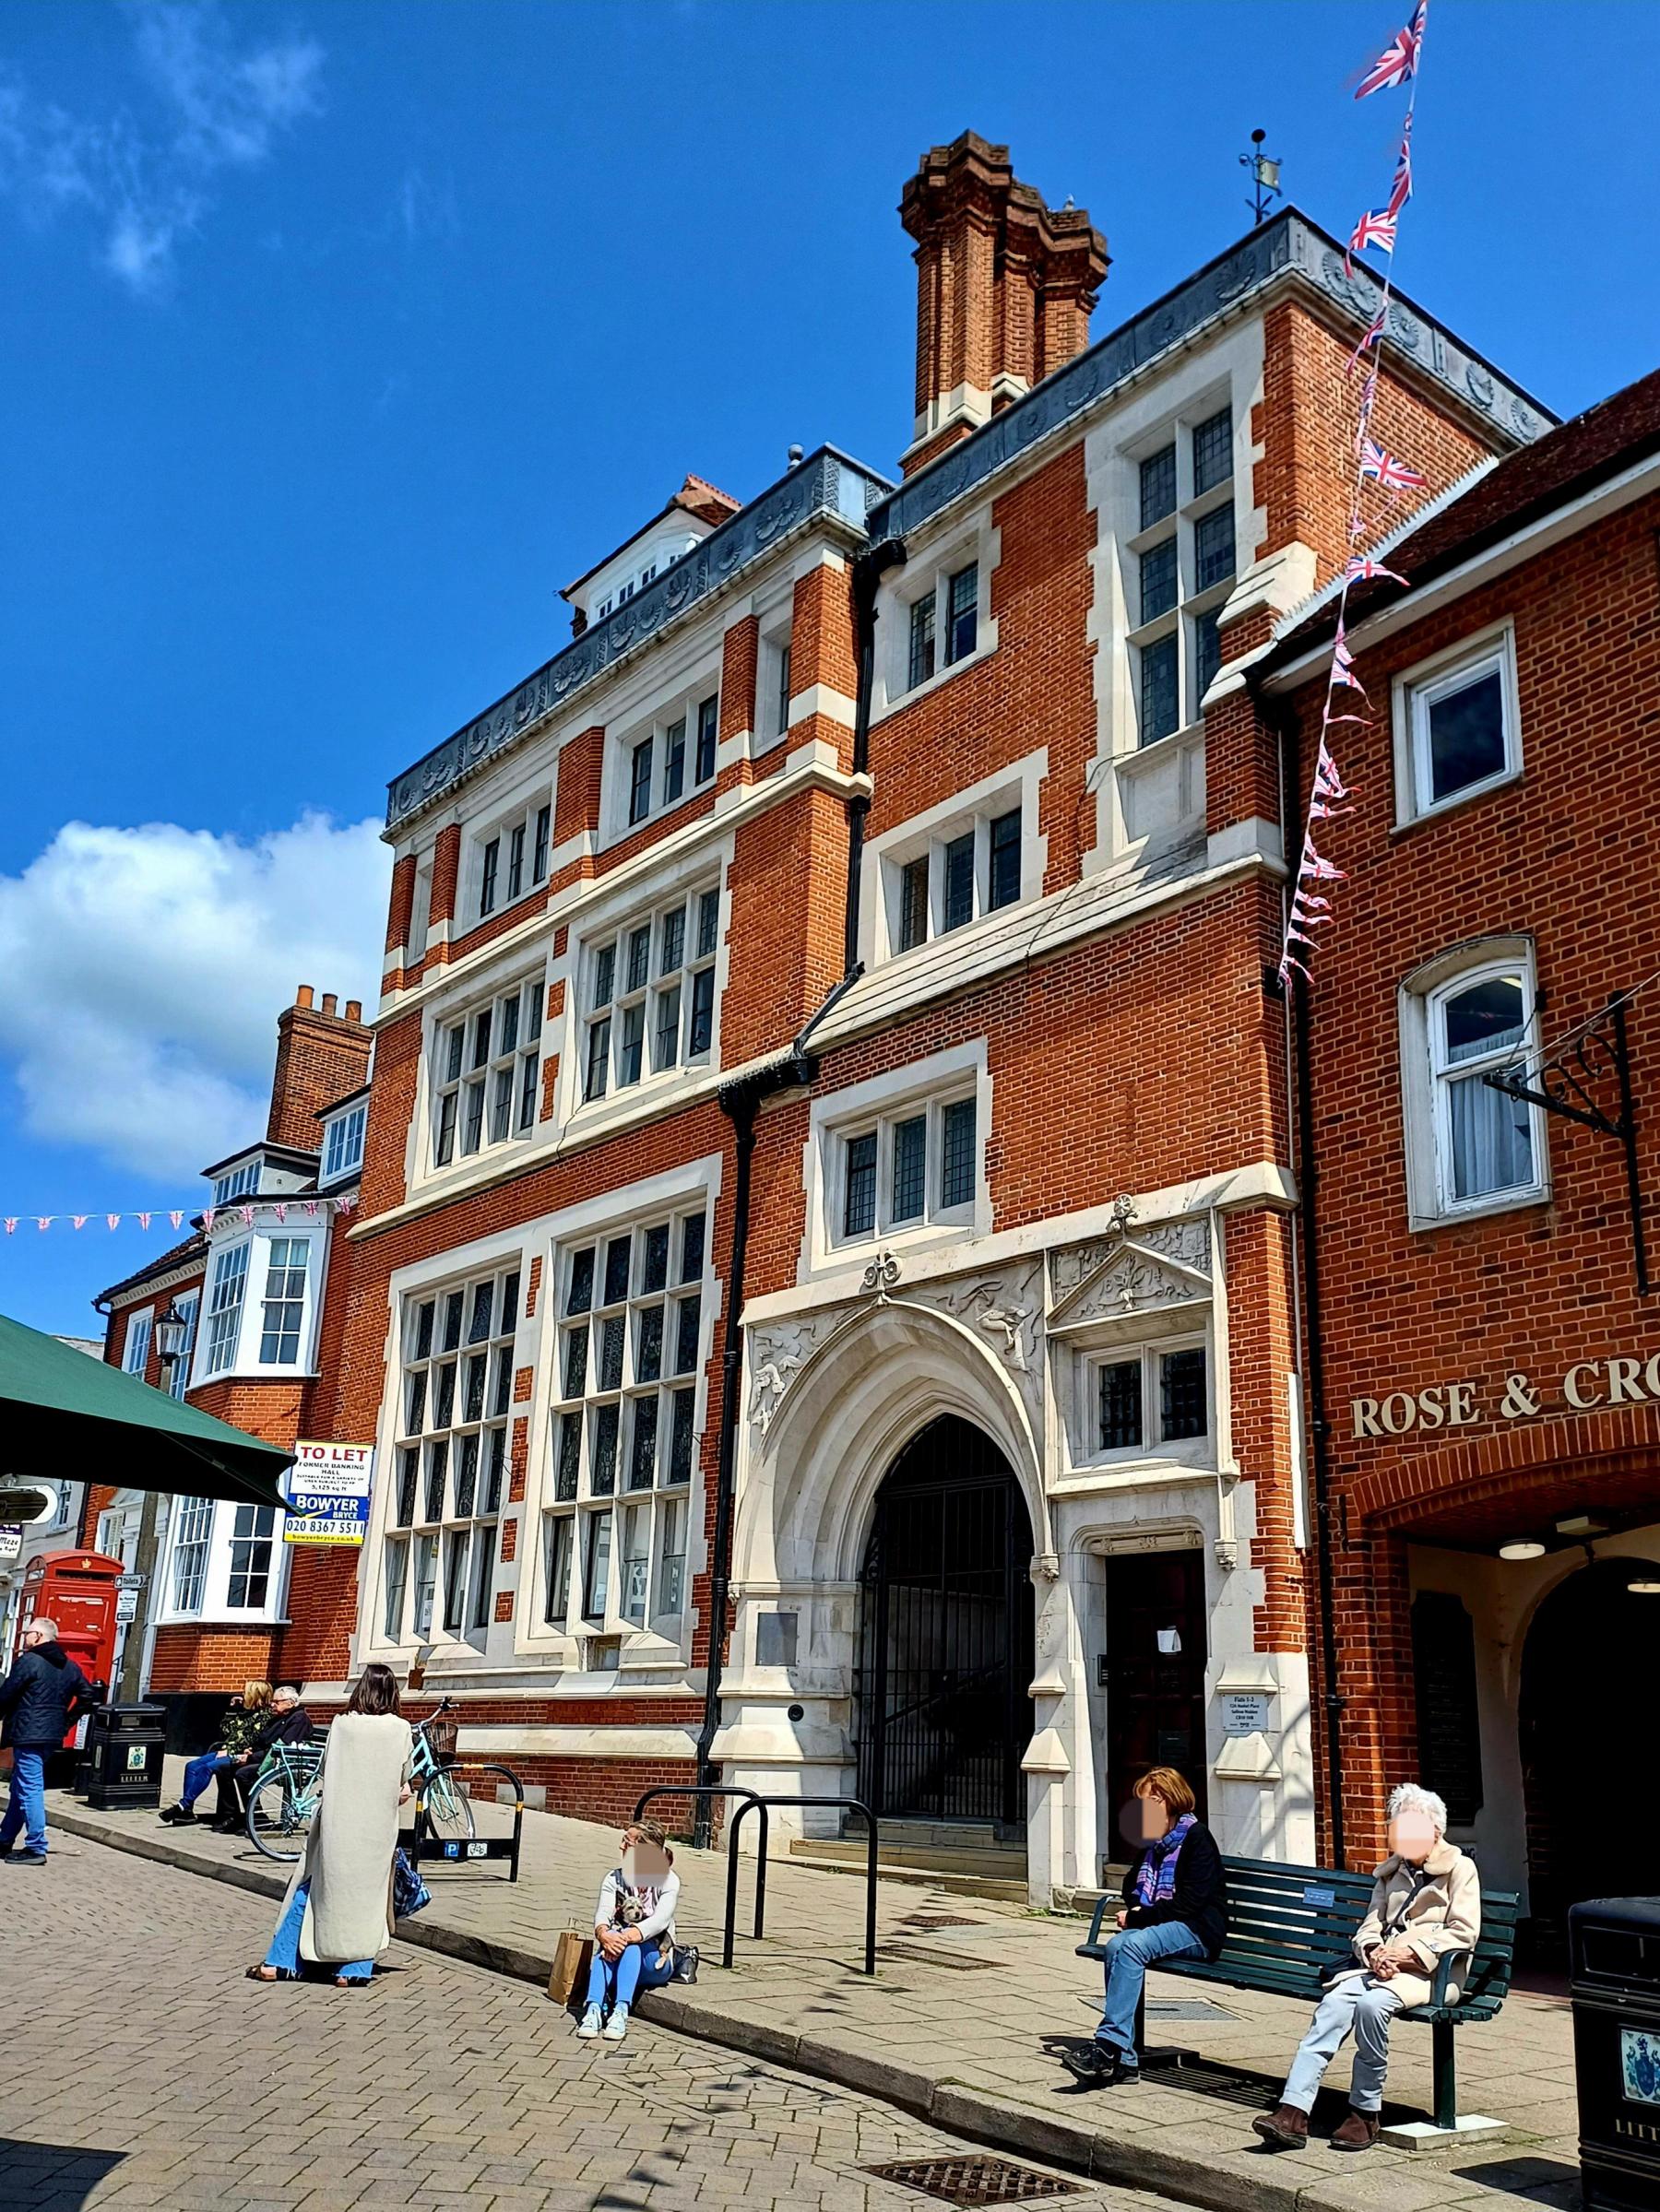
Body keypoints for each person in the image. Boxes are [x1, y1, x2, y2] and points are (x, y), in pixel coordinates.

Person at [1253, 1782, 1481, 2154]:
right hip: (1383, 1970)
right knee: (1333, 2005)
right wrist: (1374, 1951)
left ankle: (1365, 2112)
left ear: (1435, 1831)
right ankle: (1292, 2111)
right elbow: (1370, 1926)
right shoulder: (1390, 1873)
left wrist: (1408, 1956)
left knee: (1371, 2006)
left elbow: (1464, 1933)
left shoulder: (1460, 1869)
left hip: (1434, 1976)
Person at [247, 1664, 411, 1988]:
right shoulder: (400, 1728)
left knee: (314, 1887)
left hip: (338, 1822)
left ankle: (278, 1960)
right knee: (367, 1896)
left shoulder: (341, 1724)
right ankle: (353, 1970)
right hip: (375, 1828)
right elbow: (402, 1778)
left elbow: (325, 1766)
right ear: (392, 1692)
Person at [1063, 1766, 1227, 2088]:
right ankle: (1125, 2061)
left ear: (1172, 1800)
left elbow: (1191, 1902)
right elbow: (1130, 1888)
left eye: (1154, 1800)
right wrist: (1138, 1908)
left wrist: (1138, 1917)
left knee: (1131, 1944)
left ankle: (1108, 2047)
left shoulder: (1197, 1838)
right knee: (1117, 1946)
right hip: (1166, 1924)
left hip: (1197, 1930)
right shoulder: (1153, 1840)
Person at [0, 1617, 96, 1866]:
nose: (25, 1637)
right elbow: (89, 1698)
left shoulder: (29, 1661)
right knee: (20, 1788)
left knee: (30, 1787)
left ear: (40, 1637)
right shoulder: (71, 1666)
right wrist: (65, 1721)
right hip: (50, 1735)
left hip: (28, 1733)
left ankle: (36, 1847)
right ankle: (4, 1838)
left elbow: (6, 1695)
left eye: (28, 1633)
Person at [576, 1817, 681, 2043]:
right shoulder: (614, 1878)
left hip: (656, 1960)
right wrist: (604, 1935)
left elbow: (660, 1921)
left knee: (630, 1947)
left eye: (628, 1842)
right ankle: (593, 2010)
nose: (621, 1846)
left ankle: (620, 2011)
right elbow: (602, 1916)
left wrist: (621, 1939)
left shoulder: (668, 1880)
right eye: (623, 1840)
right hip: (618, 1952)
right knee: (608, 1948)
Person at [159, 1679, 273, 1828]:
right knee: (192, 1766)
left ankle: (183, 1805)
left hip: (242, 1753)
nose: (242, 1695)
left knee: (209, 1767)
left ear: (256, 1695)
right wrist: (232, 1710)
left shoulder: (265, 1715)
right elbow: (225, 1731)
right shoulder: (244, 1712)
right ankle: (186, 1811)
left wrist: (230, 1751)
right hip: (227, 1749)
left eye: (246, 1692)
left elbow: (251, 1739)